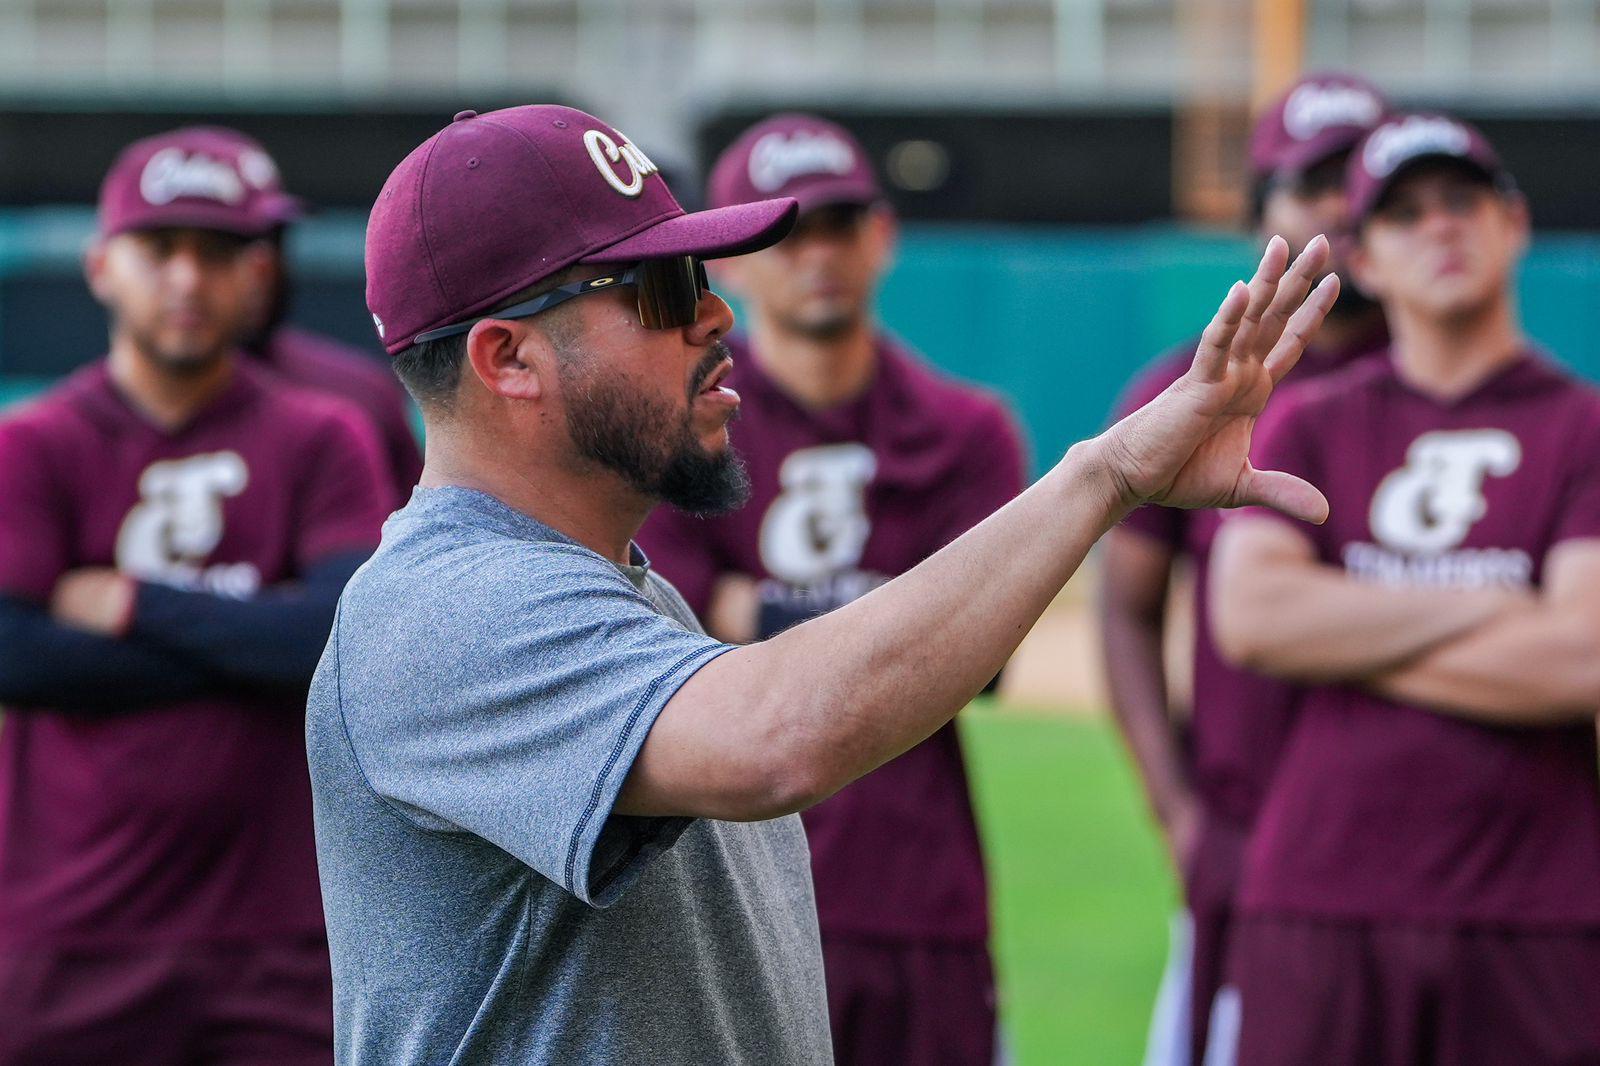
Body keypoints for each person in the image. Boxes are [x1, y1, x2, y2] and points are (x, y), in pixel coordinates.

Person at [308, 102, 1338, 1065]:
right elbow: (776, 737)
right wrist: (1100, 478)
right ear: (509, 359)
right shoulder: (440, 605)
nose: (713, 316)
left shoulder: (635, 600)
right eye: (660, 291)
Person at [634, 112, 1025, 1065]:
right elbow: (676, 635)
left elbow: (983, 662)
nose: (817, 255)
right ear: (726, 261)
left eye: (840, 225)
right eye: (785, 232)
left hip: (915, 892)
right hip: (729, 890)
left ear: (882, 238)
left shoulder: (968, 429)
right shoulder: (671, 435)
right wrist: (909, 612)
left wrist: (752, 609)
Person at [1209, 113, 1600, 1066]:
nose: (1441, 229)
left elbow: (1582, 658)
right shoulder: (1305, 422)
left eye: (1463, 202)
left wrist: (1348, 631)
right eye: (1405, 214)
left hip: (1537, 911)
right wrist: (1502, 608)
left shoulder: (1584, 430)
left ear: (1514, 223)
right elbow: (1255, 620)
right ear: (1368, 258)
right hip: (1318, 901)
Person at [0, 128, 393, 1064]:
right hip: (72, 934)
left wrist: (138, 606)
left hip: (288, 934)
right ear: (101, 266)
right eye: (159, 248)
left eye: (217, 253)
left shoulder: (323, 435)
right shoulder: (36, 443)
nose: (187, 278)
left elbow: (343, 643)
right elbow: (15, 654)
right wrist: (251, 640)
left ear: (258, 274)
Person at [1097, 71, 1389, 1066]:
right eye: (1312, 184)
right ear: (1259, 210)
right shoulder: (1184, 390)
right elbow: (1125, 610)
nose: (1343, 209)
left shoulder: (1464, 386)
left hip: (1429, 843)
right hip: (1249, 834)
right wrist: (1176, 812)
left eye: (1364, 181)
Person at [208, 127, 425, 507]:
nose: (261, 269)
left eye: (272, 242)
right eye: (221, 251)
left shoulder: (358, 391)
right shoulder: (113, 412)